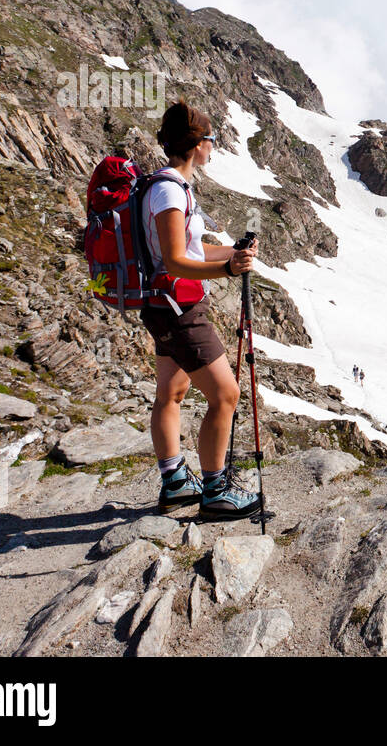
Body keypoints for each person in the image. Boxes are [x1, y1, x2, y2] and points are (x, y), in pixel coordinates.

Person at [140, 101, 262, 521]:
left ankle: (175, 483)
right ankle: (215, 491)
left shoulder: (167, 187)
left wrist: (233, 250)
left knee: (171, 393)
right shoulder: (170, 190)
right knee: (226, 394)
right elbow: (174, 260)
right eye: (210, 140)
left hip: (163, 305)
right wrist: (227, 268)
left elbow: (186, 249)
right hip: (179, 307)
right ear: (196, 145)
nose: (213, 148)